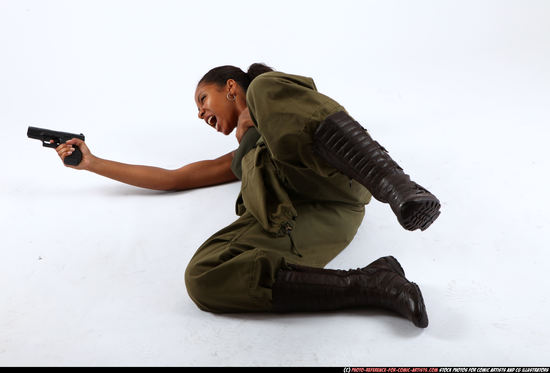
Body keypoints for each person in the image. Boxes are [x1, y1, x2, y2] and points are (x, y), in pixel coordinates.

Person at [55, 63, 440, 328]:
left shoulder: (272, 95)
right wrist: (93, 163)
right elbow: (173, 178)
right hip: (309, 221)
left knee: (266, 87)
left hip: (339, 185)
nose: (200, 114)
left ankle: (399, 187)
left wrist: (254, 115)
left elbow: (304, 116)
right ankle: (374, 284)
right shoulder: (241, 154)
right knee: (202, 277)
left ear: (230, 87)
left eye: (203, 99)